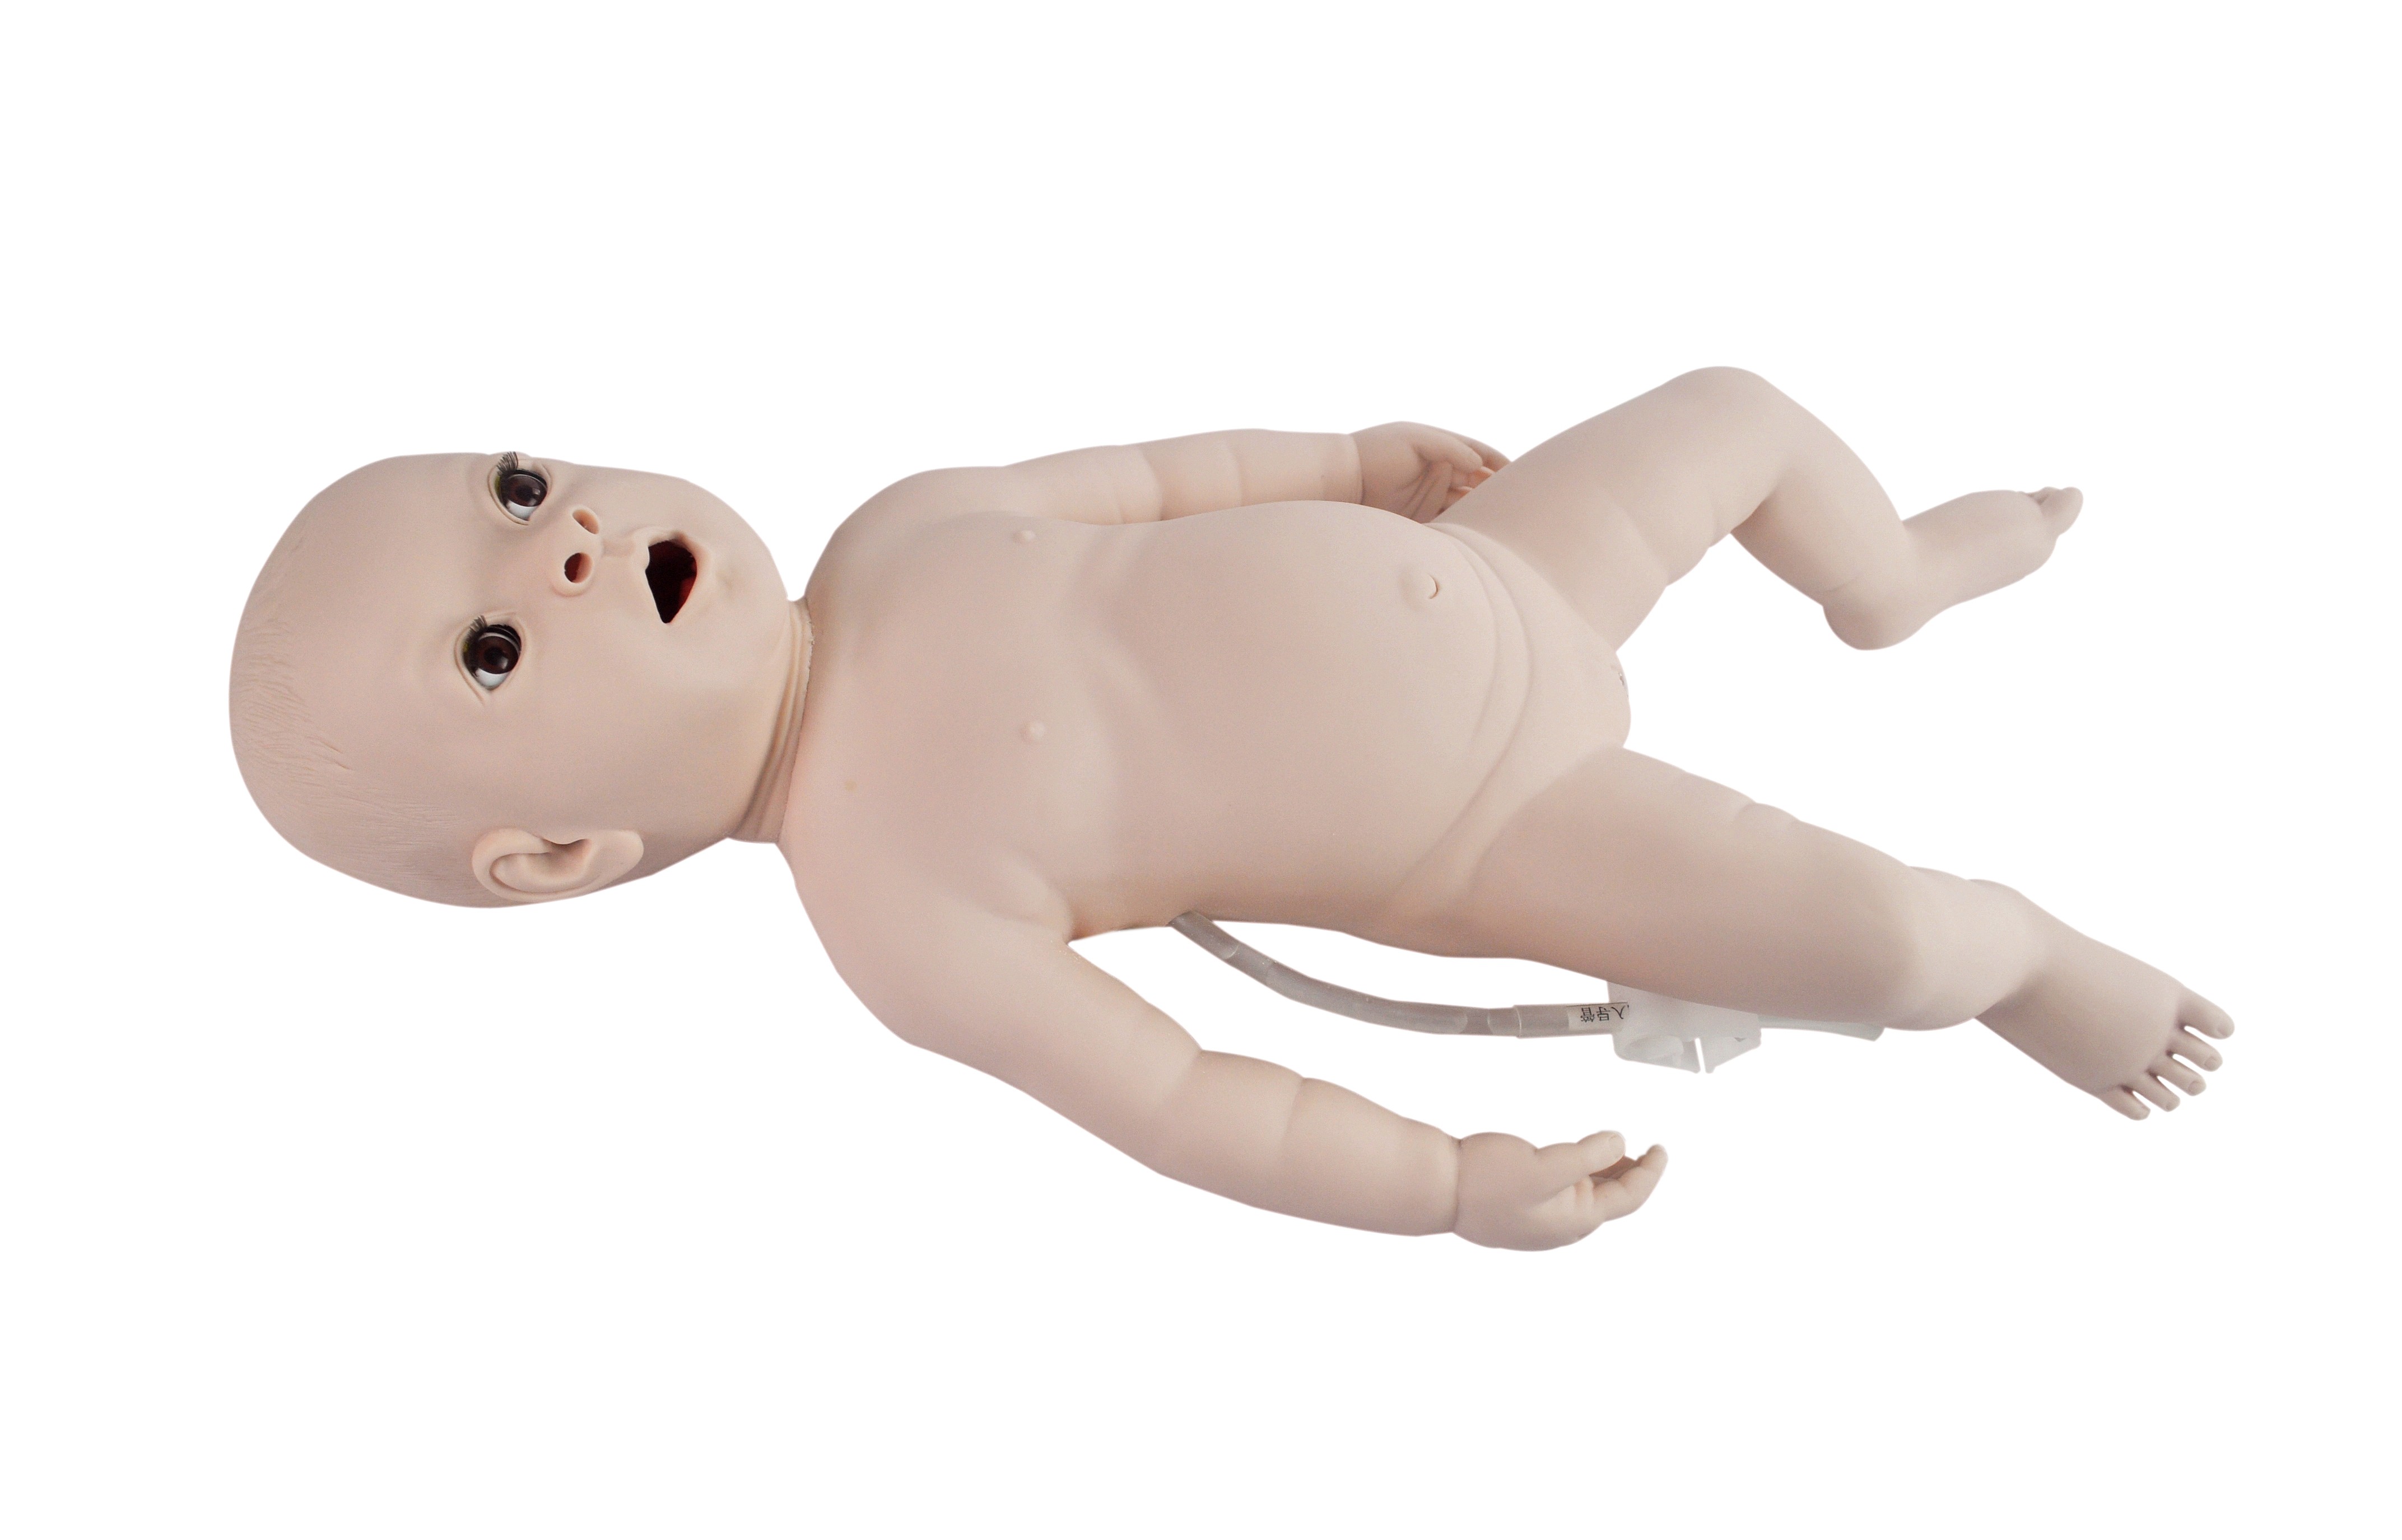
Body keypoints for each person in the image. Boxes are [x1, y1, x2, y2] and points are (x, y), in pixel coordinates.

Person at [229, 368, 2231, 1250]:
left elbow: (1157, 482)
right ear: (558, 858)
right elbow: (1183, 1099)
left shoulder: (895, 527)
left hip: (1507, 573)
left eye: (514, 487)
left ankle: (1890, 580)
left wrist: (1347, 456)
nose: (564, 536)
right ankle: (2037, 967)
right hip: (1500, 820)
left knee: (1737, 410)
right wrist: (1443, 1183)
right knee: (1896, 943)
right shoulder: (895, 907)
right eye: (494, 646)